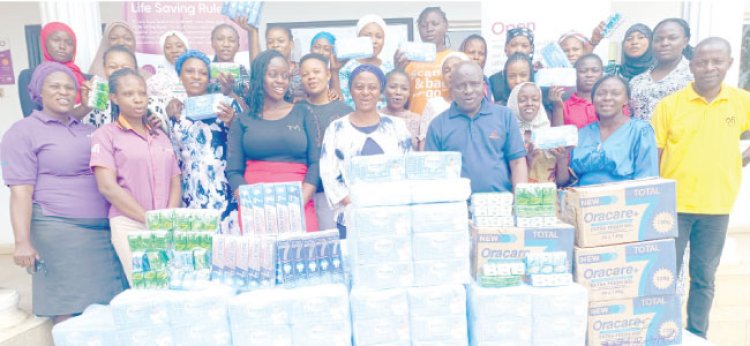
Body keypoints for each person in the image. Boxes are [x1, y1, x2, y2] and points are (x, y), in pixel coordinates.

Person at [2, 62, 127, 323]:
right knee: (69, 305)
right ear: (39, 92)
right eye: (55, 86)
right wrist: (22, 241)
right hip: (58, 228)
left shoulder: (87, 130)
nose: (64, 92)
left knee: (109, 303)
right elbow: (21, 192)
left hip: (102, 230)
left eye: (70, 87)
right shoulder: (23, 132)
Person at [652, 37, 750, 338]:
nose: (709, 67)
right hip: (673, 207)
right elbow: (654, 157)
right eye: (703, 61)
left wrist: (743, 157)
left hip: (717, 205)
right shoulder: (670, 105)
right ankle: (662, 332)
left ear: (729, 64)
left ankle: (696, 334)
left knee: (704, 277)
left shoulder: (741, 101)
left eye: (717, 61)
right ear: (691, 65)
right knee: (663, 277)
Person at [90, 68, 181, 284]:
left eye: (142, 93)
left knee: (172, 285)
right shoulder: (106, 135)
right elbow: (107, 187)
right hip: (130, 224)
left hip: (165, 224)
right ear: (114, 98)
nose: (138, 99)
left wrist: (165, 218)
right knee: (147, 288)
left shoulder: (159, 136)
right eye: (129, 94)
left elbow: (174, 180)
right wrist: (149, 219)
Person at [226, 50, 320, 232]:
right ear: (259, 77)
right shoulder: (242, 120)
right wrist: (253, 207)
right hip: (255, 210)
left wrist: (299, 202)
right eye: (273, 74)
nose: (281, 81)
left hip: (299, 205)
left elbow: (316, 163)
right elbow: (233, 171)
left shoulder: (304, 113)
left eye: (285, 76)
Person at [320, 64, 413, 237]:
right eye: (359, 87)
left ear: (381, 91)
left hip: (391, 218)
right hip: (351, 218)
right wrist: (357, 206)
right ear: (351, 90)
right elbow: (328, 173)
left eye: (372, 87)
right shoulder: (336, 129)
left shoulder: (397, 127)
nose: (365, 92)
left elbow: (408, 169)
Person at [164, 50, 240, 234]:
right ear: (180, 75)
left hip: (227, 195)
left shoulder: (227, 105)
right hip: (192, 197)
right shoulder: (175, 112)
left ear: (209, 78)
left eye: (203, 73)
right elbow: (175, 159)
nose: (196, 77)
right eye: (190, 71)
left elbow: (246, 144)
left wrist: (232, 122)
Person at [425, 61, 528, 193]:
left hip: (499, 205)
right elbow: (432, 174)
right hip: (457, 207)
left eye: (474, 84)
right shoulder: (438, 125)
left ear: (483, 85)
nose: (468, 91)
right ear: (451, 88)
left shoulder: (504, 116)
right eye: (461, 86)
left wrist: (519, 201)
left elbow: (518, 162)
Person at [554, 75, 658, 187]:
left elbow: (647, 181)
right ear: (593, 100)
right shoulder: (582, 134)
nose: (607, 98)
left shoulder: (640, 131)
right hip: (584, 200)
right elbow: (565, 182)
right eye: (601, 93)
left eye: (615, 93)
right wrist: (561, 160)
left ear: (626, 100)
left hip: (624, 201)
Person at [297, 53, 353, 230]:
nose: (311, 77)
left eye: (316, 71)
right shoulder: (296, 110)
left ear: (328, 74)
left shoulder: (345, 111)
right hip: (308, 191)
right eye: (305, 74)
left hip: (339, 193)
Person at [81, 45, 169, 130]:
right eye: (112, 67)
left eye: (125, 67)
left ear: (136, 69)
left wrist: (159, 125)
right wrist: (85, 107)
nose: (119, 70)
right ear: (104, 68)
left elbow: (166, 133)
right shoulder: (97, 99)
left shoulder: (153, 102)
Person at [18, 22, 90, 118]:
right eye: (56, 40)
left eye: (69, 42)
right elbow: (32, 118)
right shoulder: (29, 76)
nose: (62, 46)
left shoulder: (88, 80)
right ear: (44, 42)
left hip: (88, 132)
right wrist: (84, 108)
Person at [630, 18, 693, 121]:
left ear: (685, 41)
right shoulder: (637, 81)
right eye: (658, 39)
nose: (664, 43)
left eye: (672, 38)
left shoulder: (695, 77)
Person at [395, 7, 455, 114]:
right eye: (423, 26)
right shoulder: (408, 61)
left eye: (435, 24)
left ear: (446, 26)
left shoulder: (456, 58)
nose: (429, 29)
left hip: (449, 122)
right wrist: (398, 70)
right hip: (416, 123)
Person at [339, 15, 394, 109]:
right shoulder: (347, 68)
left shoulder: (390, 68)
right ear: (358, 38)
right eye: (368, 36)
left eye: (379, 36)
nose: (374, 41)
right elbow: (340, 102)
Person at [507, 82, 556, 183]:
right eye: (522, 100)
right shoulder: (507, 134)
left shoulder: (548, 134)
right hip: (520, 196)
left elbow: (561, 180)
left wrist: (562, 159)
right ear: (513, 103)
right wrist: (527, 163)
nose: (529, 103)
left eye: (535, 99)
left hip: (548, 196)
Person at [419, 52, 470, 149]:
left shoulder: (475, 105)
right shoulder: (434, 104)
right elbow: (424, 143)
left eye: (456, 67)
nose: (451, 73)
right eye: (447, 70)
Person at [550, 53, 604, 128]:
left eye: (595, 71)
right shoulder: (564, 106)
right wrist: (558, 107)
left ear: (602, 73)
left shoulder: (610, 102)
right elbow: (558, 137)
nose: (589, 75)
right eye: (583, 71)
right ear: (574, 74)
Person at [207, 23, 250, 111]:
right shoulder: (203, 72)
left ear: (238, 45)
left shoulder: (245, 73)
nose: (226, 44)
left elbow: (251, 111)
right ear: (212, 43)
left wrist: (231, 92)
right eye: (220, 39)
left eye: (231, 40)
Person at [488, 27, 535, 103]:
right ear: (506, 47)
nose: (519, 49)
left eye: (524, 46)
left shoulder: (539, 77)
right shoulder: (494, 80)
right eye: (514, 45)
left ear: (531, 49)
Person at [380, 69, 421, 148]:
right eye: (393, 87)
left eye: (404, 88)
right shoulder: (375, 118)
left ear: (409, 93)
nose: (398, 92)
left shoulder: (417, 120)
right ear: (383, 90)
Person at [266, 25, 306, 103]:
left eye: (280, 41)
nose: (275, 45)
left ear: (291, 44)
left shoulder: (304, 69)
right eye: (270, 42)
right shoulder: (265, 72)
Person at [146, 31, 189, 100]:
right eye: (168, 47)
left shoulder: (197, 75)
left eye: (179, 46)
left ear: (187, 48)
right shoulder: (154, 82)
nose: (174, 50)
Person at [309, 31, 344, 101]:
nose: (321, 52)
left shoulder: (341, 74)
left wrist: (334, 70)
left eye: (327, 49)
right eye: (317, 47)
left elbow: (339, 102)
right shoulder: (302, 72)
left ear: (333, 53)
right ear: (310, 50)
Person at [459, 34, 493, 102]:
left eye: (481, 53)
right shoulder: (457, 84)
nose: (476, 57)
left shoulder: (488, 82)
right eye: (471, 52)